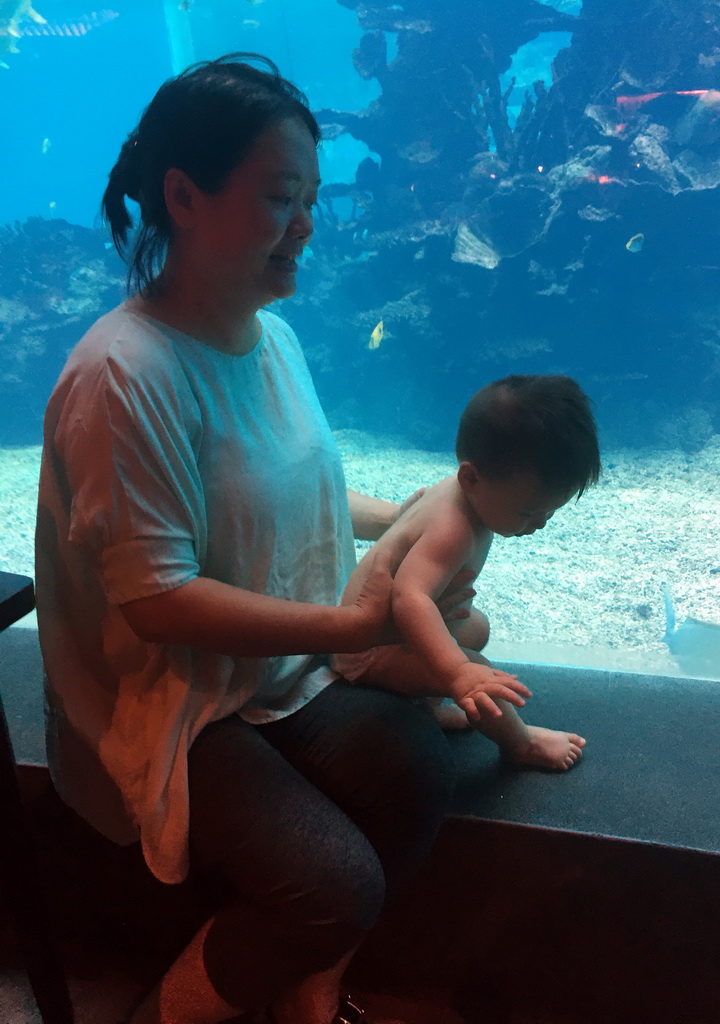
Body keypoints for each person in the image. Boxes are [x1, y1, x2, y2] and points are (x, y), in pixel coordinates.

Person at [34, 54, 530, 1024]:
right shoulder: (121, 377)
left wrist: (422, 516)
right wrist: (352, 627)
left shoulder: (273, 337)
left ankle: (301, 991)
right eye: (278, 198)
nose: (306, 223)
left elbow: (306, 495)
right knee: (336, 884)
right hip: (163, 702)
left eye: (310, 197)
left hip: (262, 674)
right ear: (184, 196)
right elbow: (159, 599)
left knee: (418, 769)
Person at [333, 374, 601, 772]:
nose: (540, 524)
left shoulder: (471, 494)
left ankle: (426, 707)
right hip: (366, 653)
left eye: (549, 512)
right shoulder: (451, 527)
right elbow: (410, 596)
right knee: (477, 668)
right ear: (471, 477)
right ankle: (519, 743)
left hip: (392, 636)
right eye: (528, 512)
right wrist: (458, 673)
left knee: (476, 627)